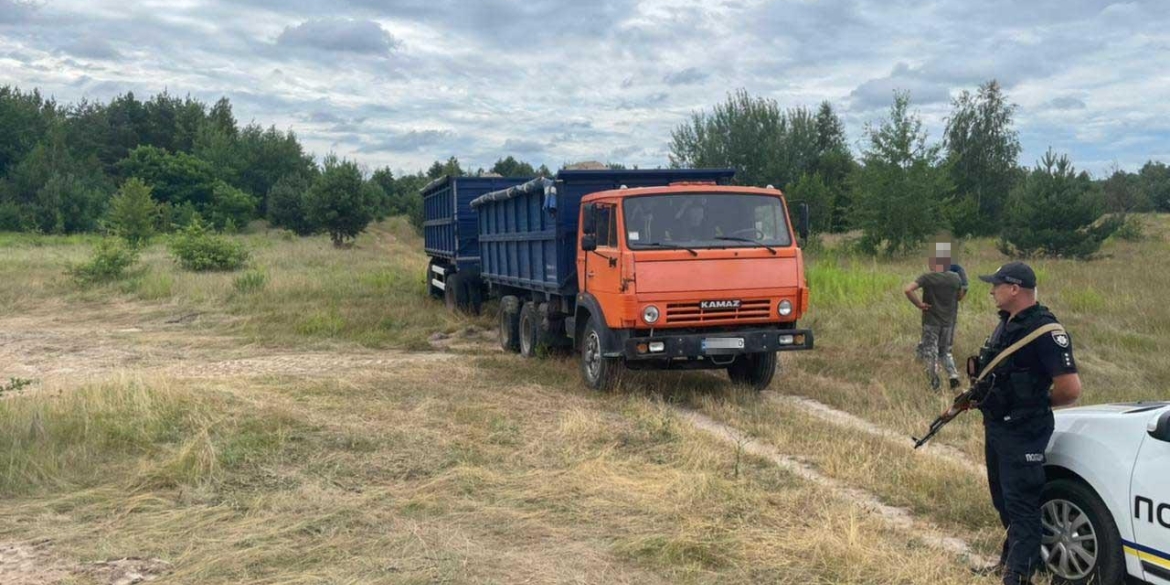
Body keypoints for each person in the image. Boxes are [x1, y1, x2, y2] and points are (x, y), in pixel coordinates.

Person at [972, 262, 1082, 585]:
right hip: (999, 426)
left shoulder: (1047, 331)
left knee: (1022, 503)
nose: (992, 290)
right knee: (1003, 498)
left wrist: (1036, 404)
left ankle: (1019, 574)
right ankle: (1010, 560)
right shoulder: (1008, 324)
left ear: (1015, 289)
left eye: (997, 285)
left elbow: (1070, 389)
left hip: (1024, 430)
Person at [904, 252, 963, 390]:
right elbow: (959, 296)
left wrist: (919, 304)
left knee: (931, 351)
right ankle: (953, 375)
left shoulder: (928, 277)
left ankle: (934, 381)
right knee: (946, 351)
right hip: (949, 320)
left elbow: (908, 290)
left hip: (931, 320)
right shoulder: (955, 278)